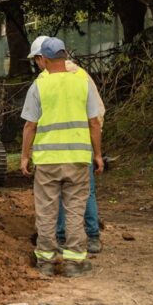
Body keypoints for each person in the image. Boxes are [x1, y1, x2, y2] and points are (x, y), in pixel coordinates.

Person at [20, 37, 104, 277]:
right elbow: (94, 123)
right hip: (77, 159)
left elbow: (30, 126)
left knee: (46, 211)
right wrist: (97, 154)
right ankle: (74, 263)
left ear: (44, 59)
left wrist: (25, 157)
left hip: (48, 161)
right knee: (75, 211)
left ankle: (46, 262)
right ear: (65, 56)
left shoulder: (39, 85)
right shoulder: (82, 82)